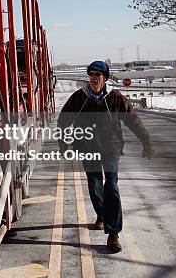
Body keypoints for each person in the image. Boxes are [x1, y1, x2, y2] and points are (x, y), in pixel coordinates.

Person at [57, 60, 156, 253]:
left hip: (111, 148)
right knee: (95, 186)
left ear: (105, 78)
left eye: (98, 75)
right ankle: (102, 215)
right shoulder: (79, 97)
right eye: (91, 74)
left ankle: (113, 233)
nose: (94, 78)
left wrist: (147, 141)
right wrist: (63, 142)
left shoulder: (115, 97)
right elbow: (64, 119)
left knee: (111, 186)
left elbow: (133, 120)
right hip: (87, 147)